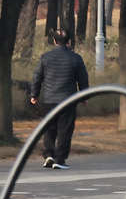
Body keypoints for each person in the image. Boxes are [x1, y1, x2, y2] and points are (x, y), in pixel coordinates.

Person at [29, 30, 87, 169]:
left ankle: (49, 154)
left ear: (54, 41)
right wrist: (84, 96)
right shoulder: (76, 58)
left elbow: (37, 77)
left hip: (49, 99)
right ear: (69, 42)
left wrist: (34, 94)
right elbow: (83, 79)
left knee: (49, 128)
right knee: (65, 130)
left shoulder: (45, 57)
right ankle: (60, 159)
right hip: (68, 100)